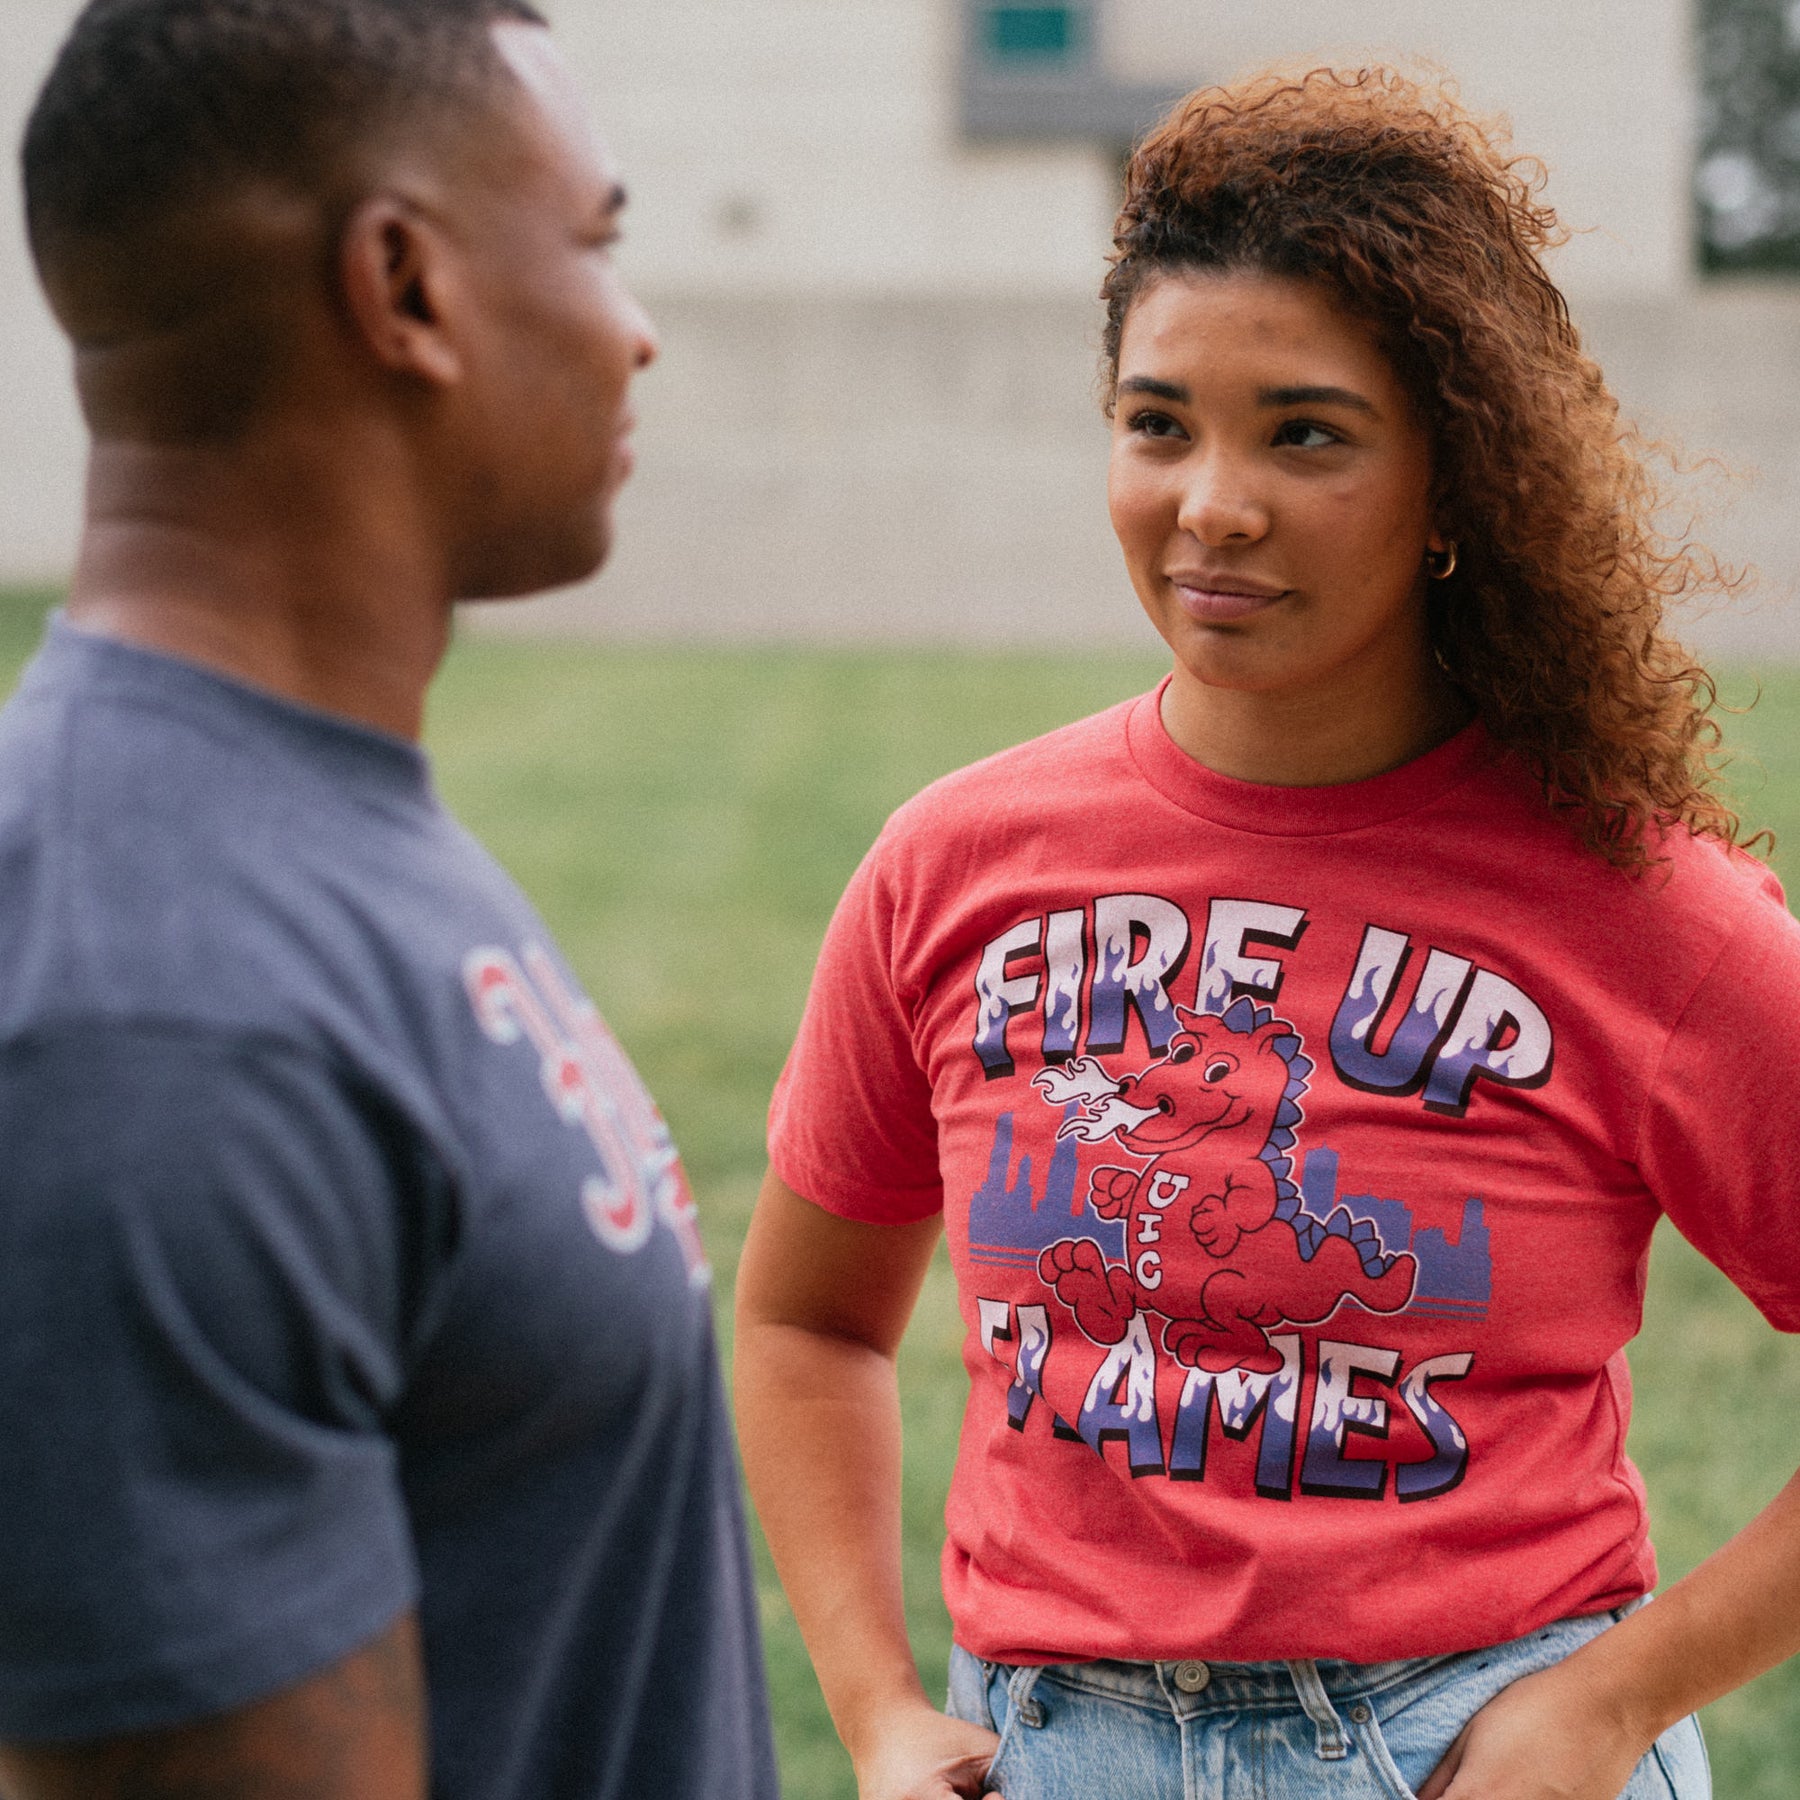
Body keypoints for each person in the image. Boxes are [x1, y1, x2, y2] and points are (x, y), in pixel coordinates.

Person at [735, 66, 1800, 1800]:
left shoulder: (1643, 911)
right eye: (1159, 424)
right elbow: (807, 1325)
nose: (1212, 503)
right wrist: (874, 1710)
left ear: (1456, 481)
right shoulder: (953, 865)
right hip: (1053, 1752)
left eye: (1305, 433)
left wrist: (1611, 1705)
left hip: (1474, 1748)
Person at [0, 3, 778, 1798]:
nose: (636, 326)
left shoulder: (312, 821)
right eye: (594, 239)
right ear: (404, 285)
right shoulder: (156, 1019)